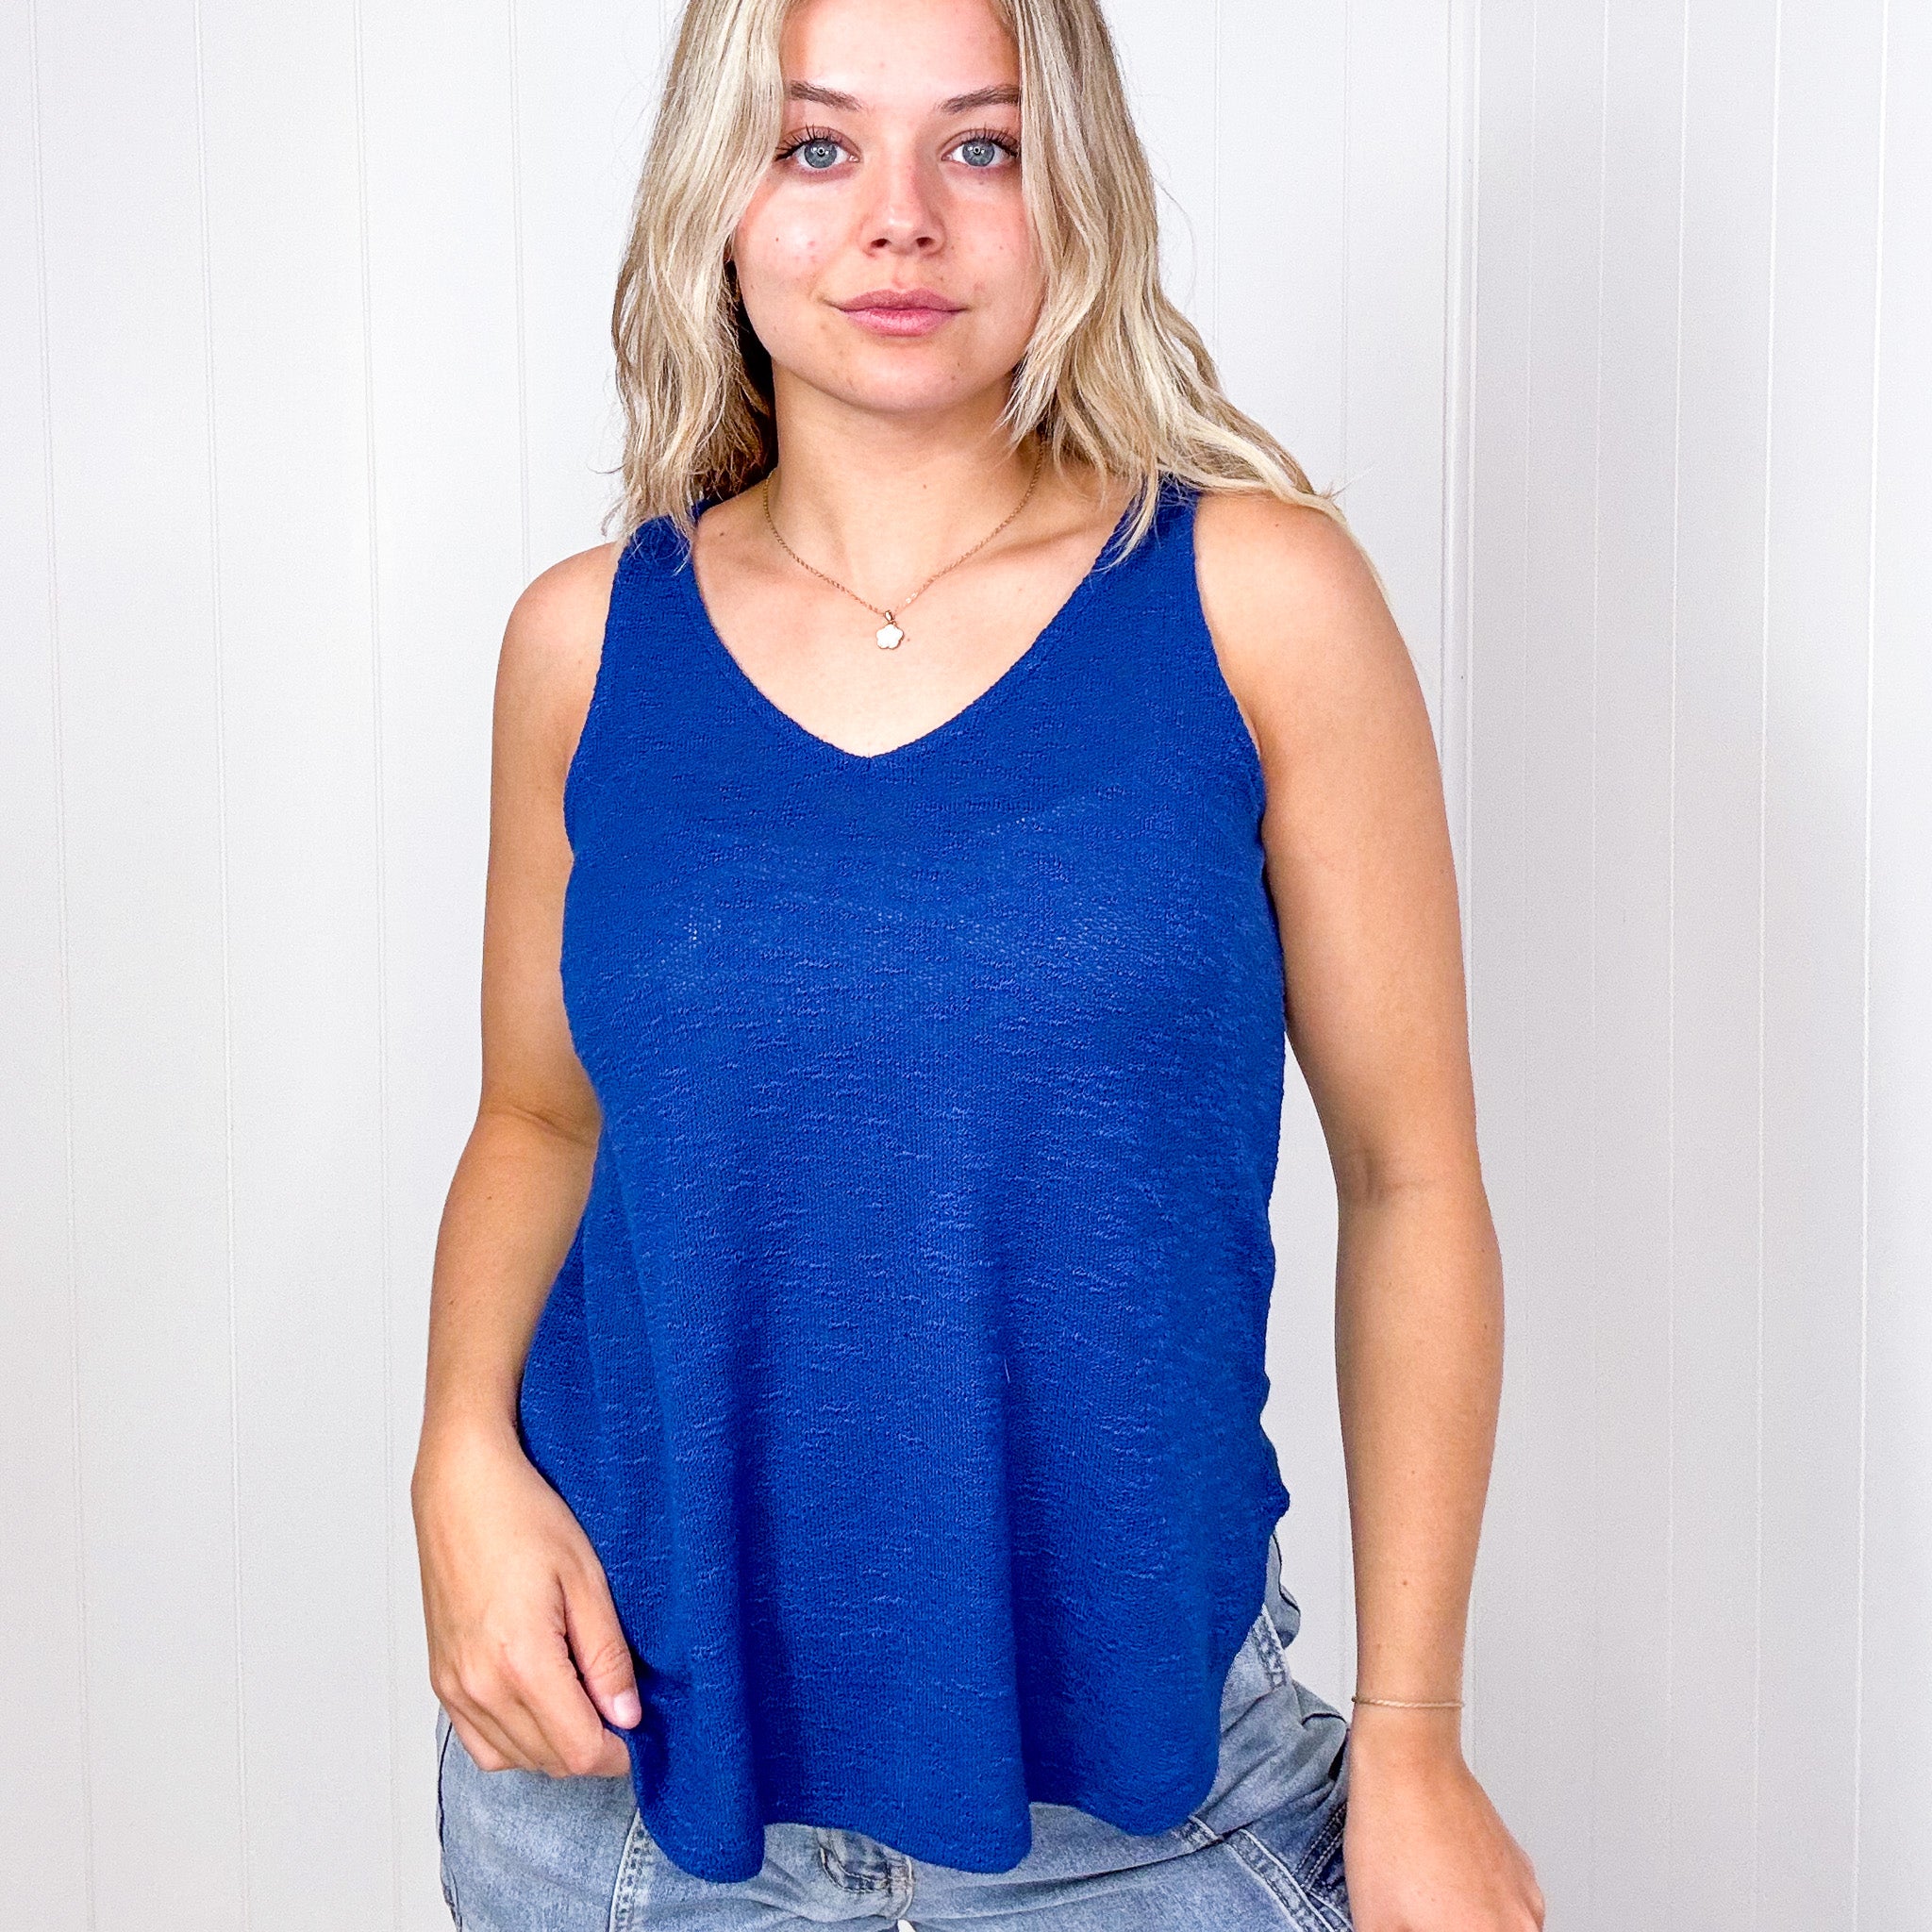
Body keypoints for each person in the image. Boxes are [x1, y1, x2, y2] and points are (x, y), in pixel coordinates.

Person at [411, 0, 1545, 1926]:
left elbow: (1411, 1173)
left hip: (1141, 1818)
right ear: (715, 198)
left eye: (984, 145)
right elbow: (538, 1118)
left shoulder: (1257, 603)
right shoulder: (583, 645)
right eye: (816, 144)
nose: (901, 219)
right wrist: (454, 1454)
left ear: (1074, 191)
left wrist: (1415, 1740)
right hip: (614, 1800)